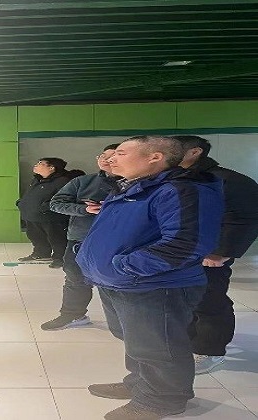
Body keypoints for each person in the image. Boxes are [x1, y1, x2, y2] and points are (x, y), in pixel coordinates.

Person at [76, 135, 224, 420]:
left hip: (155, 285)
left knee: (159, 347)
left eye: (120, 153)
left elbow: (185, 244)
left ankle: (162, 401)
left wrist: (124, 266)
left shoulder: (181, 190)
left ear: (155, 157)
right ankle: (140, 384)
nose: (111, 158)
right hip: (121, 282)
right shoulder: (131, 188)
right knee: (137, 341)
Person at [173, 135, 258, 374]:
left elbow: (245, 217)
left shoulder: (226, 179)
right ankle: (190, 342)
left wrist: (221, 251)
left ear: (195, 152)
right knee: (184, 300)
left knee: (209, 300)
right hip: (177, 252)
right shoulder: (174, 178)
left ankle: (210, 350)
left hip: (207, 254)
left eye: (173, 148)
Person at [41, 143, 120, 330]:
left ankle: (123, 320)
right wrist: (84, 209)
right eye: (102, 156)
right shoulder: (83, 182)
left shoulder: (138, 183)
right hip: (81, 238)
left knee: (114, 282)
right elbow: (56, 204)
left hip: (118, 241)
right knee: (75, 278)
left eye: (112, 156)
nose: (105, 160)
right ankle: (73, 315)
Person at [16, 157, 71, 268]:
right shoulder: (36, 180)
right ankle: (41, 253)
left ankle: (60, 258)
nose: (36, 165)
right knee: (36, 236)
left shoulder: (62, 181)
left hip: (51, 217)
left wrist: (44, 207)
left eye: (41, 163)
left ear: (51, 168)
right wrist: (21, 203)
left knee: (57, 238)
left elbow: (64, 199)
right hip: (32, 215)